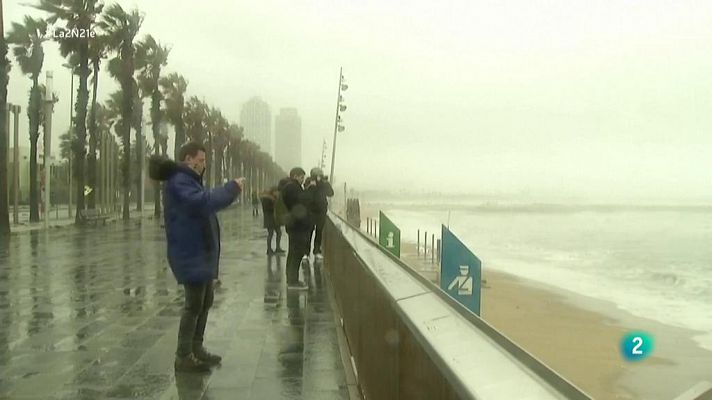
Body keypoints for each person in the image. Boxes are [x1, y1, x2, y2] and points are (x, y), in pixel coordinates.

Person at [149, 142, 245, 373]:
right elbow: (202, 202)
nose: (204, 165)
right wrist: (231, 188)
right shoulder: (179, 182)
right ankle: (183, 356)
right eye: (201, 160)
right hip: (190, 252)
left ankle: (196, 348)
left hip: (200, 252)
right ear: (188, 159)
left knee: (205, 301)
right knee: (193, 305)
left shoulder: (189, 181)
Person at [281, 167, 314, 290]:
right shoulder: (292, 188)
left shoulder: (289, 187)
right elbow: (302, 203)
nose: (302, 180)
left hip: (293, 225)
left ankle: (291, 279)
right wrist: (309, 190)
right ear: (295, 176)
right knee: (297, 252)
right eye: (301, 177)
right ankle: (293, 281)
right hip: (297, 226)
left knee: (293, 252)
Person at [305, 167, 334, 259]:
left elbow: (331, 193)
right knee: (308, 231)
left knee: (319, 231)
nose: (318, 177)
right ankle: (306, 252)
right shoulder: (308, 181)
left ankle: (317, 250)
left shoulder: (324, 183)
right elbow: (306, 194)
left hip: (321, 210)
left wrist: (325, 183)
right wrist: (311, 186)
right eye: (317, 175)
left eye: (320, 175)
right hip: (310, 210)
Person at [260, 187, 285, 255]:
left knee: (279, 232)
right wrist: (275, 205)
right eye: (277, 192)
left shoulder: (274, 198)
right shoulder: (266, 199)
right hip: (269, 218)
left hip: (275, 219)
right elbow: (267, 209)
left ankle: (278, 247)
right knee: (270, 234)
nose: (278, 193)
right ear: (273, 192)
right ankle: (269, 249)